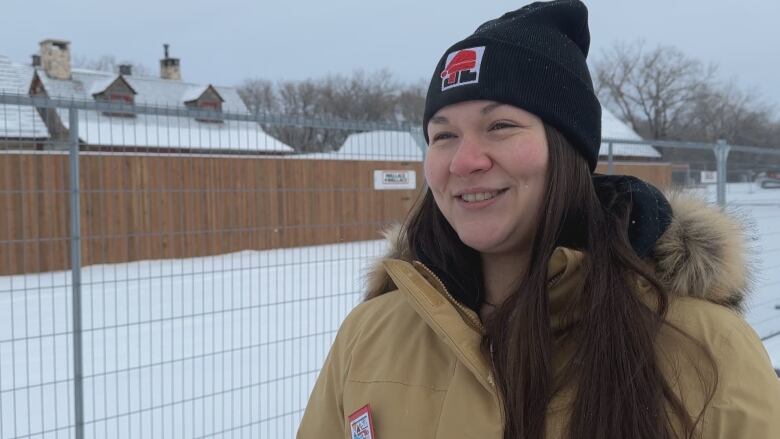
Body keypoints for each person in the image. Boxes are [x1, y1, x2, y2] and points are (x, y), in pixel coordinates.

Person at [297, 1, 780, 438]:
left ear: (568, 150)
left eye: (500, 126)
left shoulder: (707, 349)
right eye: (442, 136)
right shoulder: (370, 331)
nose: (464, 161)